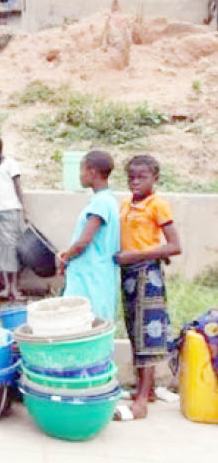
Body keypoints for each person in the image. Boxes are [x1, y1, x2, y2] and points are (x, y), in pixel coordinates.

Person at [114, 155, 181, 421]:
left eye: (142, 177)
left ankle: (142, 401)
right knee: (134, 331)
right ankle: (146, 389)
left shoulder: (158, 205)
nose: (135, 181)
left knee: (148, 336)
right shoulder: (126, 204)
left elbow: (175, 246)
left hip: (146, 276)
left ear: (155, 178)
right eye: (131, 177)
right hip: (129, 275)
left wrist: (136, 256)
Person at [59, 150, 120, 321]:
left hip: (90, 275)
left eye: (82, 170)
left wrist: (65, 258)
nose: (80, 175)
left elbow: (84, 241)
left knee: (84, 323)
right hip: (95, 273)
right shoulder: (106, 200)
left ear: (92, 172)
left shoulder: (101, 202)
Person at [0, 137, 26, 300]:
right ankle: (6, 287)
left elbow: (18, 186)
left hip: (9, 211)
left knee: (11, 249)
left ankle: (14, 287)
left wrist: (24, 210)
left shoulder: (10, 164)